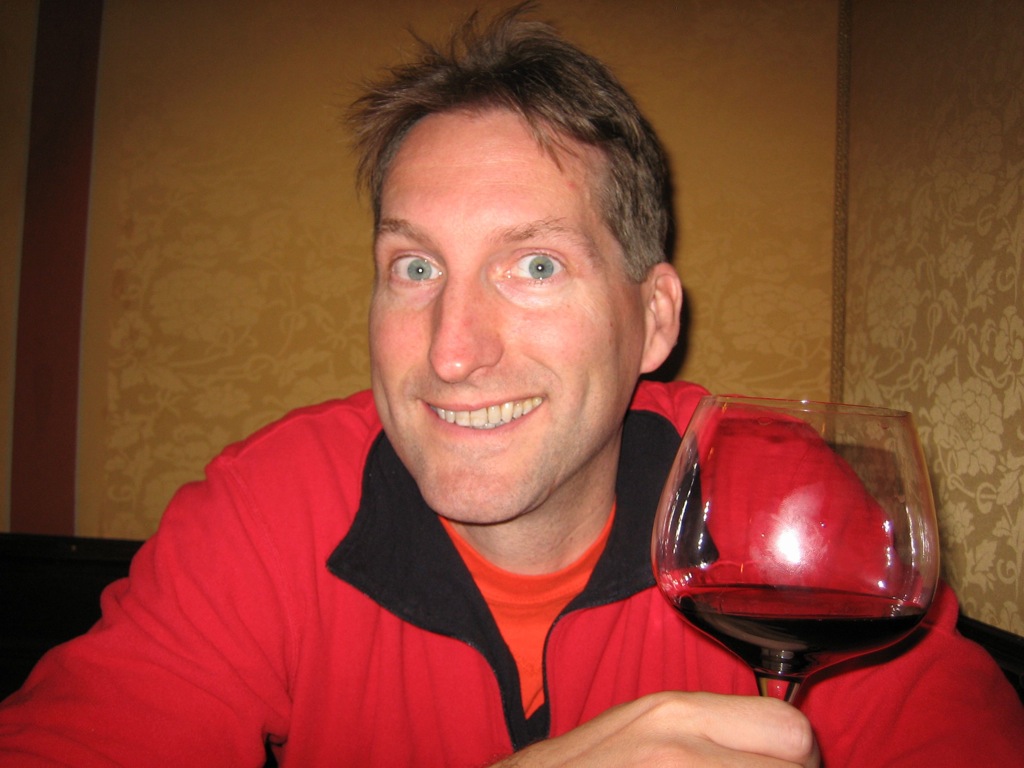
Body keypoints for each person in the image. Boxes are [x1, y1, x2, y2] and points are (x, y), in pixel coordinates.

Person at [1, 6, 1022, 766]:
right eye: (415, 266)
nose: (452, 353)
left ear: (653, 318)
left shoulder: (780, 502)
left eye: (534, 265)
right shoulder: (271, 508)